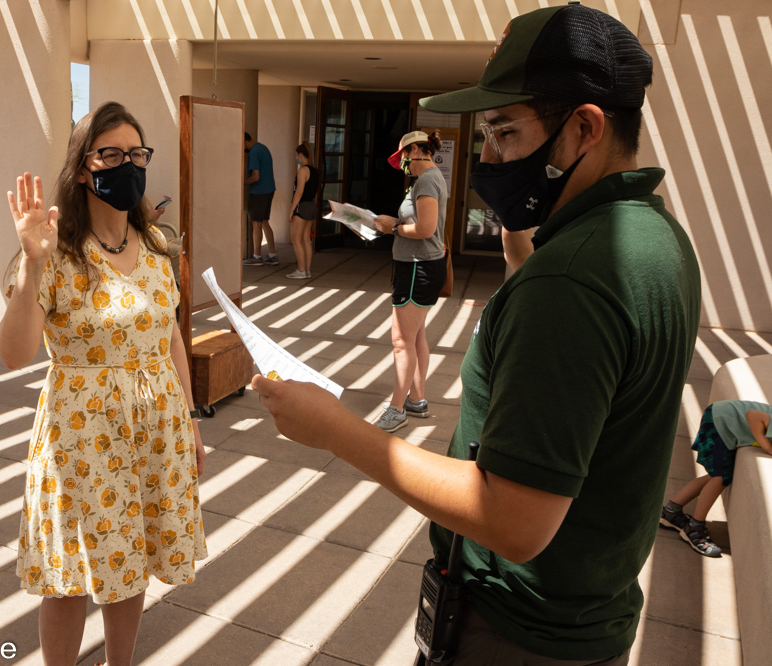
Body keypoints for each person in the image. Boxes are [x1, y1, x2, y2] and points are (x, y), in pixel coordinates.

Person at [252, 3, 701, 664]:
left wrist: (339, 432)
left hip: (515, 632)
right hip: (589, 616)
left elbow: (513, 522)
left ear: (584, 128)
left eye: (505, 134)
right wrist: (527, 220)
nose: (488, 158)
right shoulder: (656, 238)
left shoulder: (571, 283)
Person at [0, 101, 208, 666]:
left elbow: (170, 340)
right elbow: (15, 354)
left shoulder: (160, 248)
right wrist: (31, 264)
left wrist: (189, 420)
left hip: (155, 427)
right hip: (81, 436)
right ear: (84, 167)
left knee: (132, 559)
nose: (126, 165)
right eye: (110, 153)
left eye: (136, 153)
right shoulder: (56, 252)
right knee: (68, 573)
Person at [371, 130, 447, 433]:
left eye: (403, 156)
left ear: (416, 149)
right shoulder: (428, 179)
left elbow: (425, 229)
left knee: (401, 341)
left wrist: (394, 228)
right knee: (415, 338)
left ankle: (397, 408)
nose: (403, 162)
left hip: (417, 267)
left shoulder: (427, 180)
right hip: (421, 266)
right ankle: (416, 400)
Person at [661, 400, 772, 557]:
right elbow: (754, 416)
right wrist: (768, 448)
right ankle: (693, 529)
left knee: (716, 476)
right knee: (720, 478)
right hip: (721, 421)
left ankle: (671, 512)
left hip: (725, 419)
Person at [243, 132, 278, 266]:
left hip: (259, 191)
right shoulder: (263, 148)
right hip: (269, 189)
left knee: (256, 223)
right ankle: (272, 255)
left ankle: (257, 257)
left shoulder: (254, 152)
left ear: (244, 140)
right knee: (264, 222)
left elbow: (255, 177)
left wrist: (243, 183)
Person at [286, 143, 320, 280]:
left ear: (300, 155)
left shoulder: (303, 170)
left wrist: (291, 210)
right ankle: (307, 270)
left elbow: (299, 192)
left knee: (296, 239)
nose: (296, 158)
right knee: (306, 239)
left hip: (302, 207)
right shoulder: (315, 170)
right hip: (311, 206)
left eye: (296, 155)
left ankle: (301, 269)